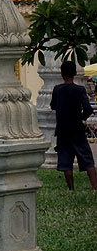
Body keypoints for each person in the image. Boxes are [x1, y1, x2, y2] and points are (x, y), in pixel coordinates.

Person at [50, 60, 97, 191]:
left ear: (62, 74)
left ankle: (71, 189)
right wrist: (81, 118)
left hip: (62, 129)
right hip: (77, 129)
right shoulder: (80, 90)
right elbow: (88, 109)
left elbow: (53, 106)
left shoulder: (57, 90)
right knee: (87, 159)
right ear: (75, 73)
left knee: (66, 161)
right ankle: (94, 187)